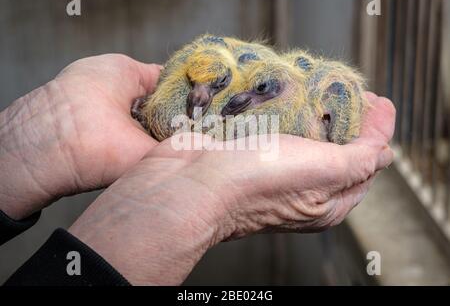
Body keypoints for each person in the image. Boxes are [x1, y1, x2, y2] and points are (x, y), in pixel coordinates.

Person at [0, 54, 395, 286]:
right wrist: (196, 205)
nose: (206, 99)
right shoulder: (197, 96)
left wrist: (24, 145)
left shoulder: (281, 103)